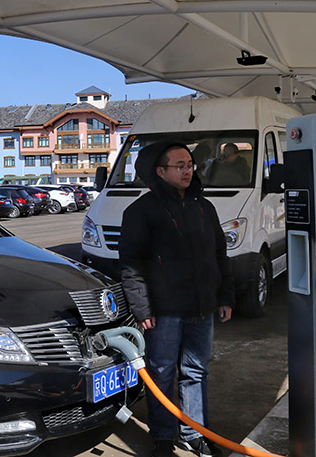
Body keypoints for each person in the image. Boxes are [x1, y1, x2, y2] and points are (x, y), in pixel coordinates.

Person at [118, 140, 234, 457]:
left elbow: (220, 255)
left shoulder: (203, 207)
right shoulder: (142, 211)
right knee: (162, 373)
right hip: (164, 311)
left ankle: (194, 433)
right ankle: (164, 437)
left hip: (202, 307)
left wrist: (224, 296)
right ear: (160, 171)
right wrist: (141, 307)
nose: (187, 170)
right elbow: (131, 264)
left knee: (196, 371)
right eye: (179, 165)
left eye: (190, 165)